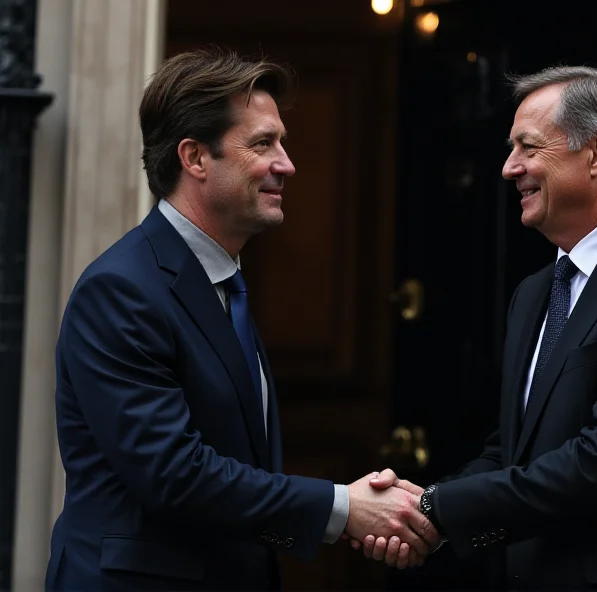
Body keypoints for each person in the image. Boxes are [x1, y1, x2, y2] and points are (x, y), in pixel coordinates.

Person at [45, 48, 437, 591]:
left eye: (281, 141)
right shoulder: (122, 290)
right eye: (262, 143)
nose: (287, 162)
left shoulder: (220, 282)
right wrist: (343, 508)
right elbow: (174, 474)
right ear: (195, 158)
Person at [359, 66, 597, 591]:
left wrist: (435, 509)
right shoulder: (535, 293)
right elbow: (512, 450)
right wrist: (420, 511)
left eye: (528, 148)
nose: (510, 168)